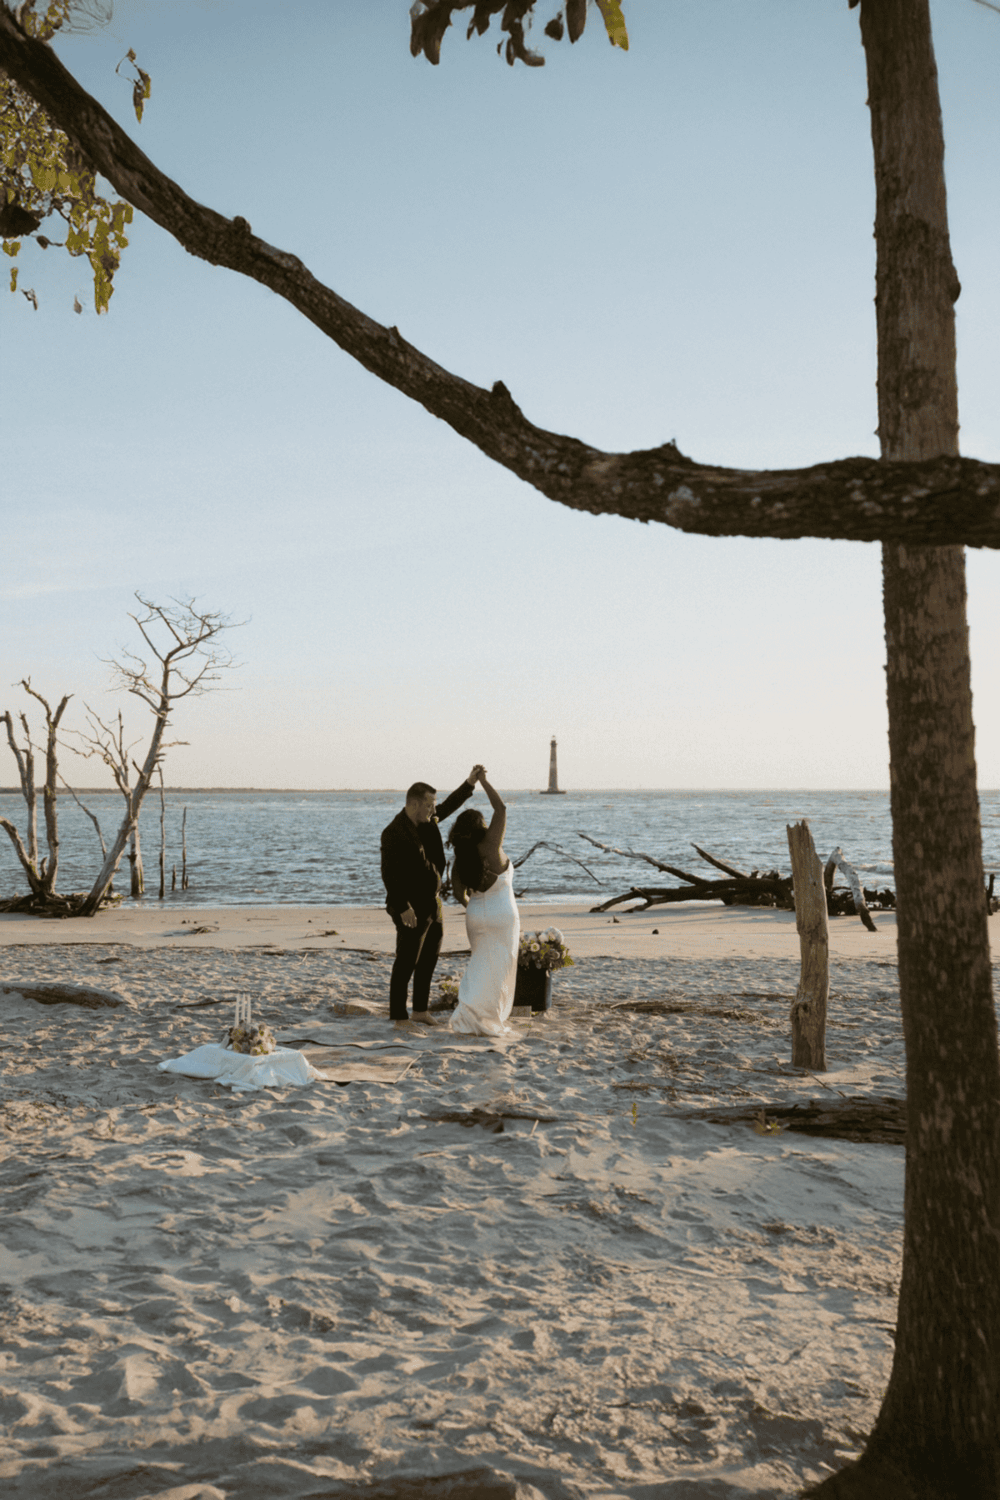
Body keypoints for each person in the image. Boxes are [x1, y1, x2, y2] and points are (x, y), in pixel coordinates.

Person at [380, 767, 482, 1026]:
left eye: (433, 804)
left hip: (432, 903)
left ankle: (420, 1011)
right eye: (429, 804)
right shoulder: (394, 832)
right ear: (414, 804)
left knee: (429, 958)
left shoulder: (427, 822)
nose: (433, 809)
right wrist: (403, 907)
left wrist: (469, 783)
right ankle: (399, 1016)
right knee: (407, 959)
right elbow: (389, 874)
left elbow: (448, 805)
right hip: (409, 906)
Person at [447, 769, 520, 1036]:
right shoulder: (492, 844)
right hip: (502, 913)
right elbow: (500, 808)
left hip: (475, 914)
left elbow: (457, 894)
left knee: (479, 965)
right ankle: (488, 1017)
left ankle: (468, 1012)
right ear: (480, 826)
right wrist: (484, 781)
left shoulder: (459, 859)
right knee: (499, 969)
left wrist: (474, 906)